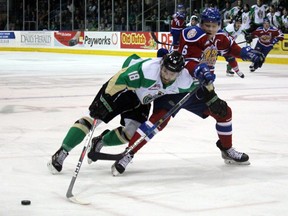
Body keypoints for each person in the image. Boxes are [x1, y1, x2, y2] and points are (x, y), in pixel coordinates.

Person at [88, 8, 265, 176]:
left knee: (224, 113)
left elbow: (235, 49)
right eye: (207, 25)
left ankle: (227, 150)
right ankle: (129, 153)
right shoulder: (193, 34)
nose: (210, 29)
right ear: (201, 23)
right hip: (175, 86)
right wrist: (198, 70)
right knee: (158, 122)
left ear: (219, 24)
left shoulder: (221, 37)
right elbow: (187, 61)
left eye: (214, 25)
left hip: (198, 88)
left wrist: (251, 54)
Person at [47, 51, 213, 174]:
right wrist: (106, 97)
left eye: (172, 73)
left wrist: (209, 82)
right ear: (161, 65)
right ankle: (61, 152)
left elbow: (202, 83)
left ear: (178, 73)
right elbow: (121, 77)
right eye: (165, 71)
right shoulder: (147, 71)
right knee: (93, 119)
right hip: (124, 90)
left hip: (142, 99)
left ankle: (101, 140)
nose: (167, 76)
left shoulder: (183, 80)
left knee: (130, 133)